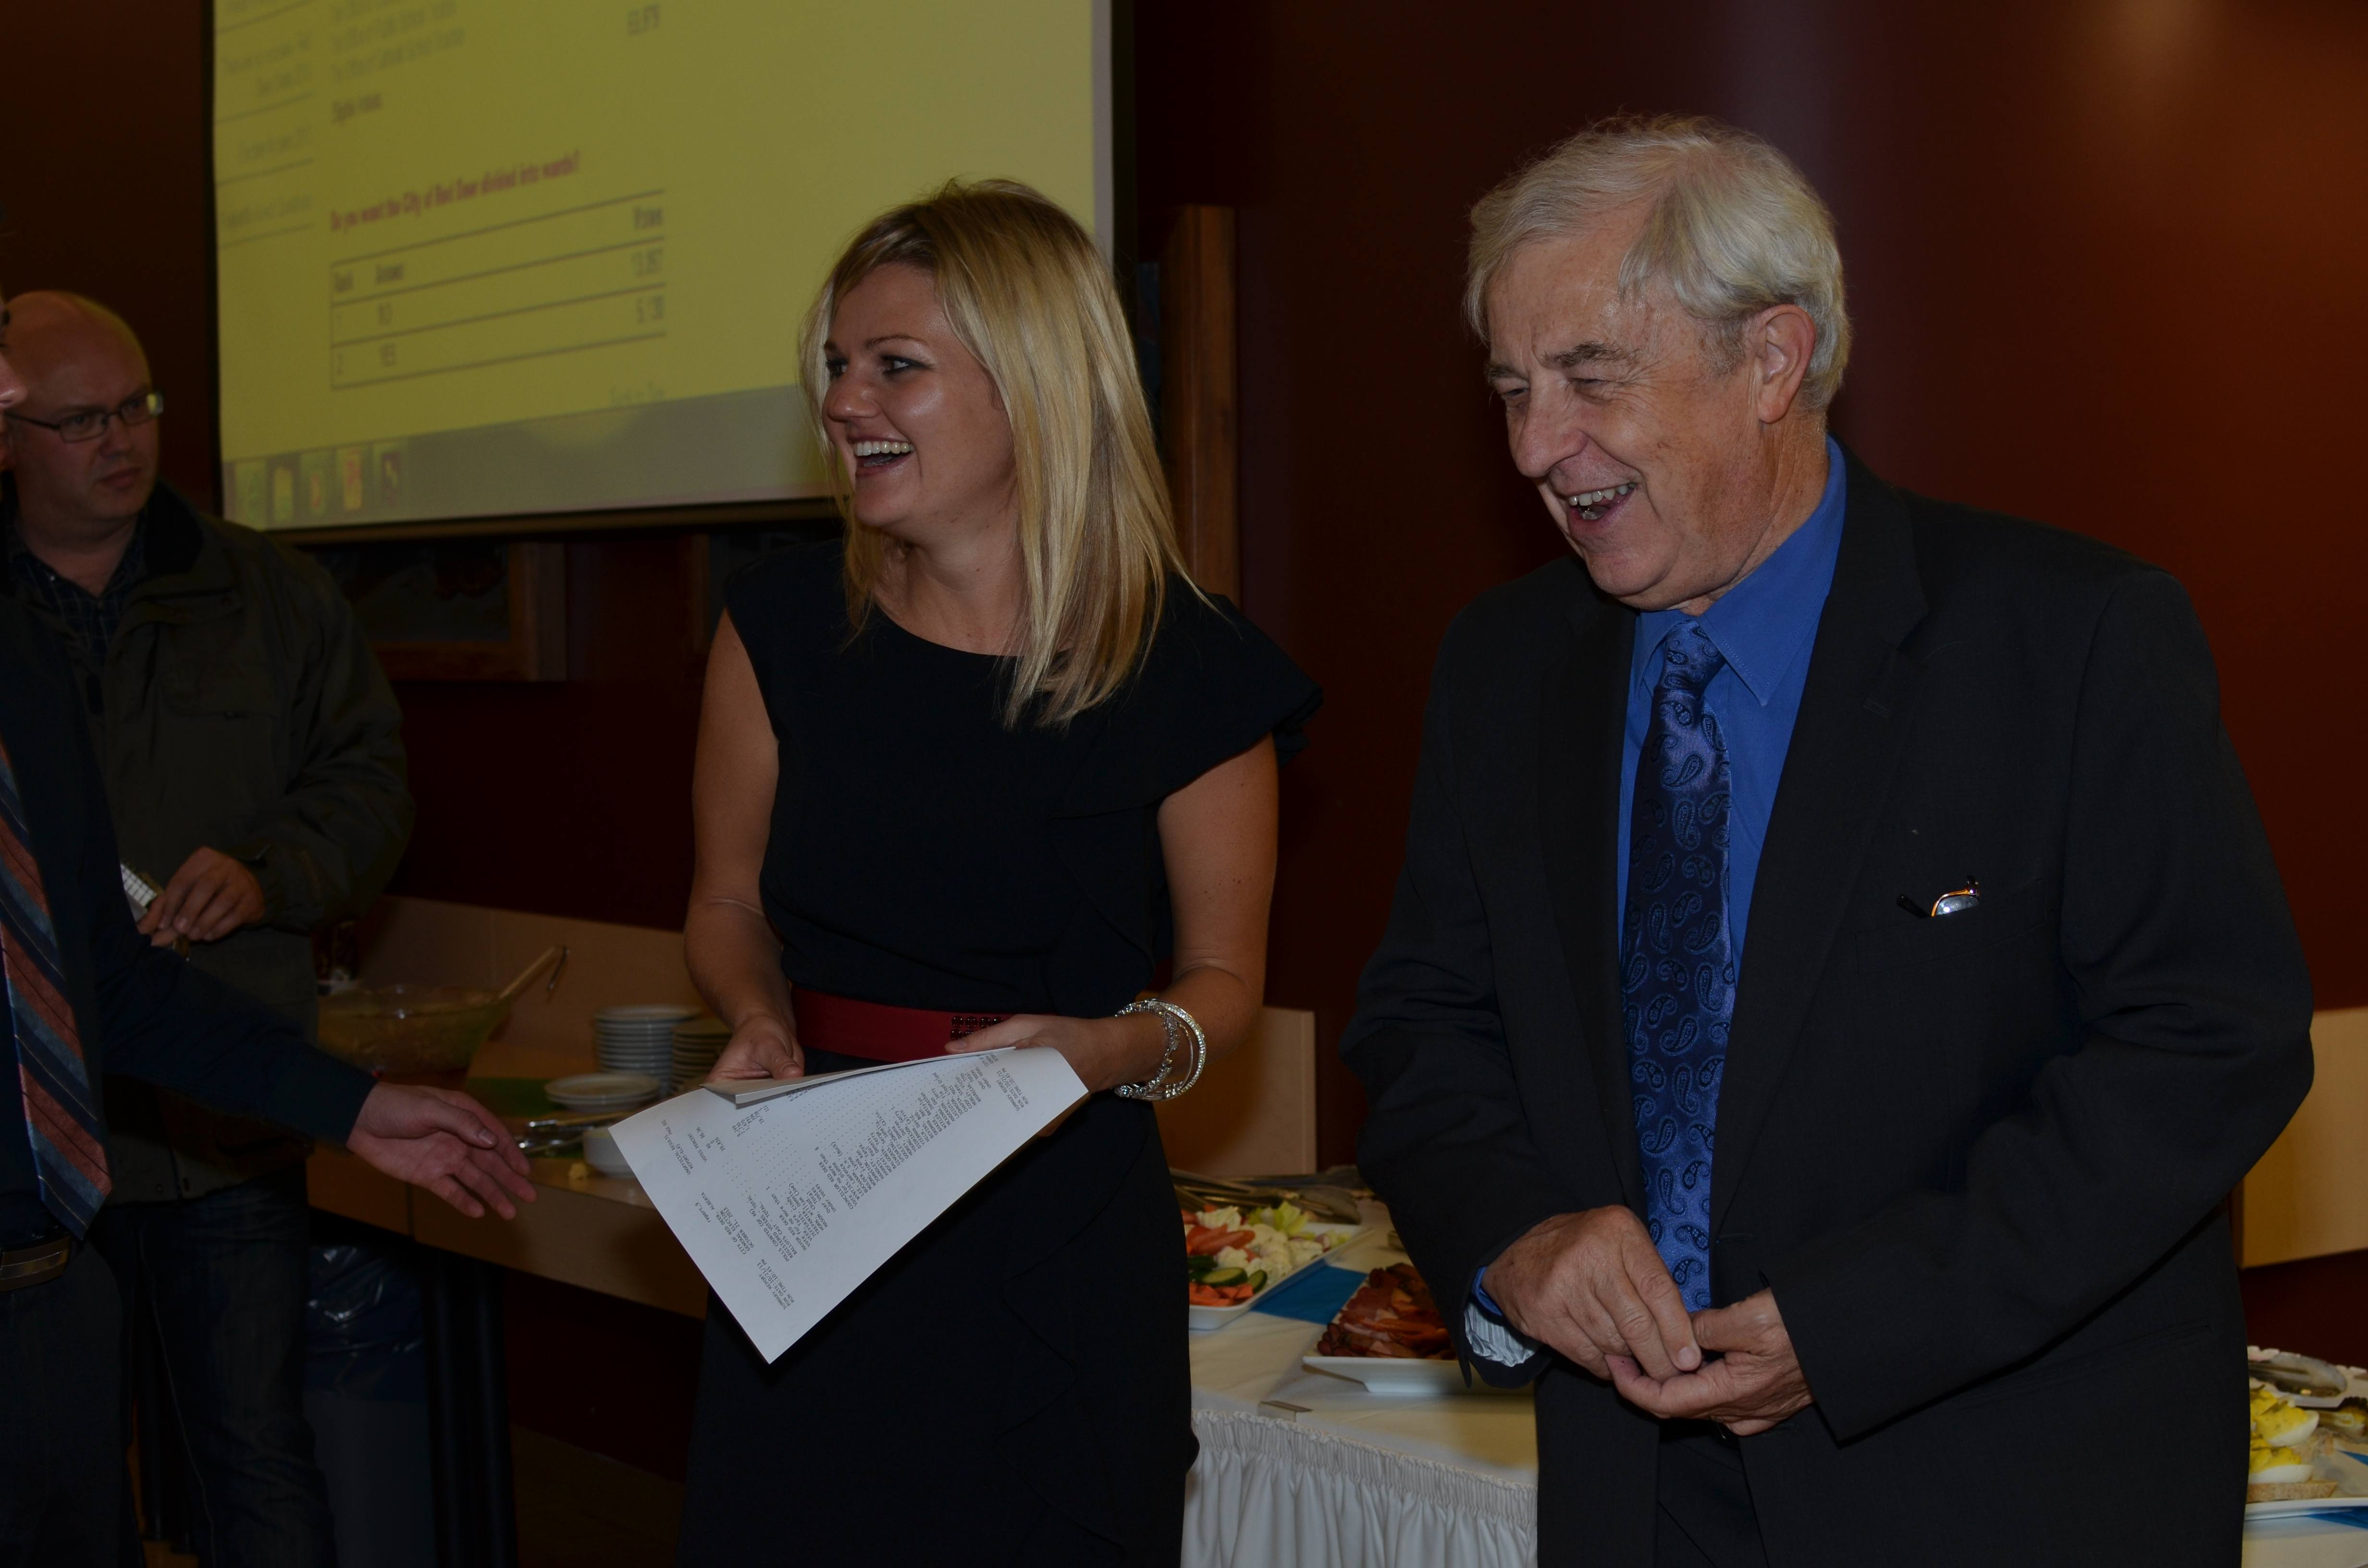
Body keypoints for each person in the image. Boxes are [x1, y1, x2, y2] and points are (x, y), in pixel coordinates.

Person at [1343, 116, 2312, 1568]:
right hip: (1638, 1500)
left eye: (1591, 379)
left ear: (1773, 362)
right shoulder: (1506, 664)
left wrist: (1854, 1326)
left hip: (1996, 1492)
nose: (1540, 448)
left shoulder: (2069, 642)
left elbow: (2206, 1046)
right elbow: (1424, 1023)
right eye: (1512, 388)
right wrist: (1518, 1235)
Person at [678, 179, 1318, 1563]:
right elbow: (726, 905)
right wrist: (756, 1014)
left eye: (897, 365)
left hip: (1064, 1226)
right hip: (818, 1216)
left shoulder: (1192, 670)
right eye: (839, 366)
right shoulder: (780, 628)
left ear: (1035, 385)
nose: (849, 401)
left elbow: (1225, 988)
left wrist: (1104, 1050)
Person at [0, 283, 536, 1568]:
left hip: (211, 1116)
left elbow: (108, 976)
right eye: (82, 419)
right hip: (42, 1162)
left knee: (248, 1455)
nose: (122, 439)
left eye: (139, 408)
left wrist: (276, 882)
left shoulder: (262, 595)